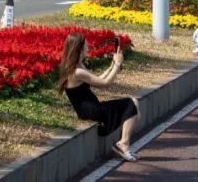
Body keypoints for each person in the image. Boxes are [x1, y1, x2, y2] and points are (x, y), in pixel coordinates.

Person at [59, 33, 140, 162]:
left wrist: (112, 66)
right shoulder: (77, 72)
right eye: (85, 44)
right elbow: (105, 84)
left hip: (92, 108)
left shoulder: (77, 67)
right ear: (79, 48)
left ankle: (123, 143)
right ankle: (123, 144)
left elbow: (98, 79)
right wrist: (118, 65)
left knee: (134, 105)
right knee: (130, 104)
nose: (88, 46)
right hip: (91, 111)